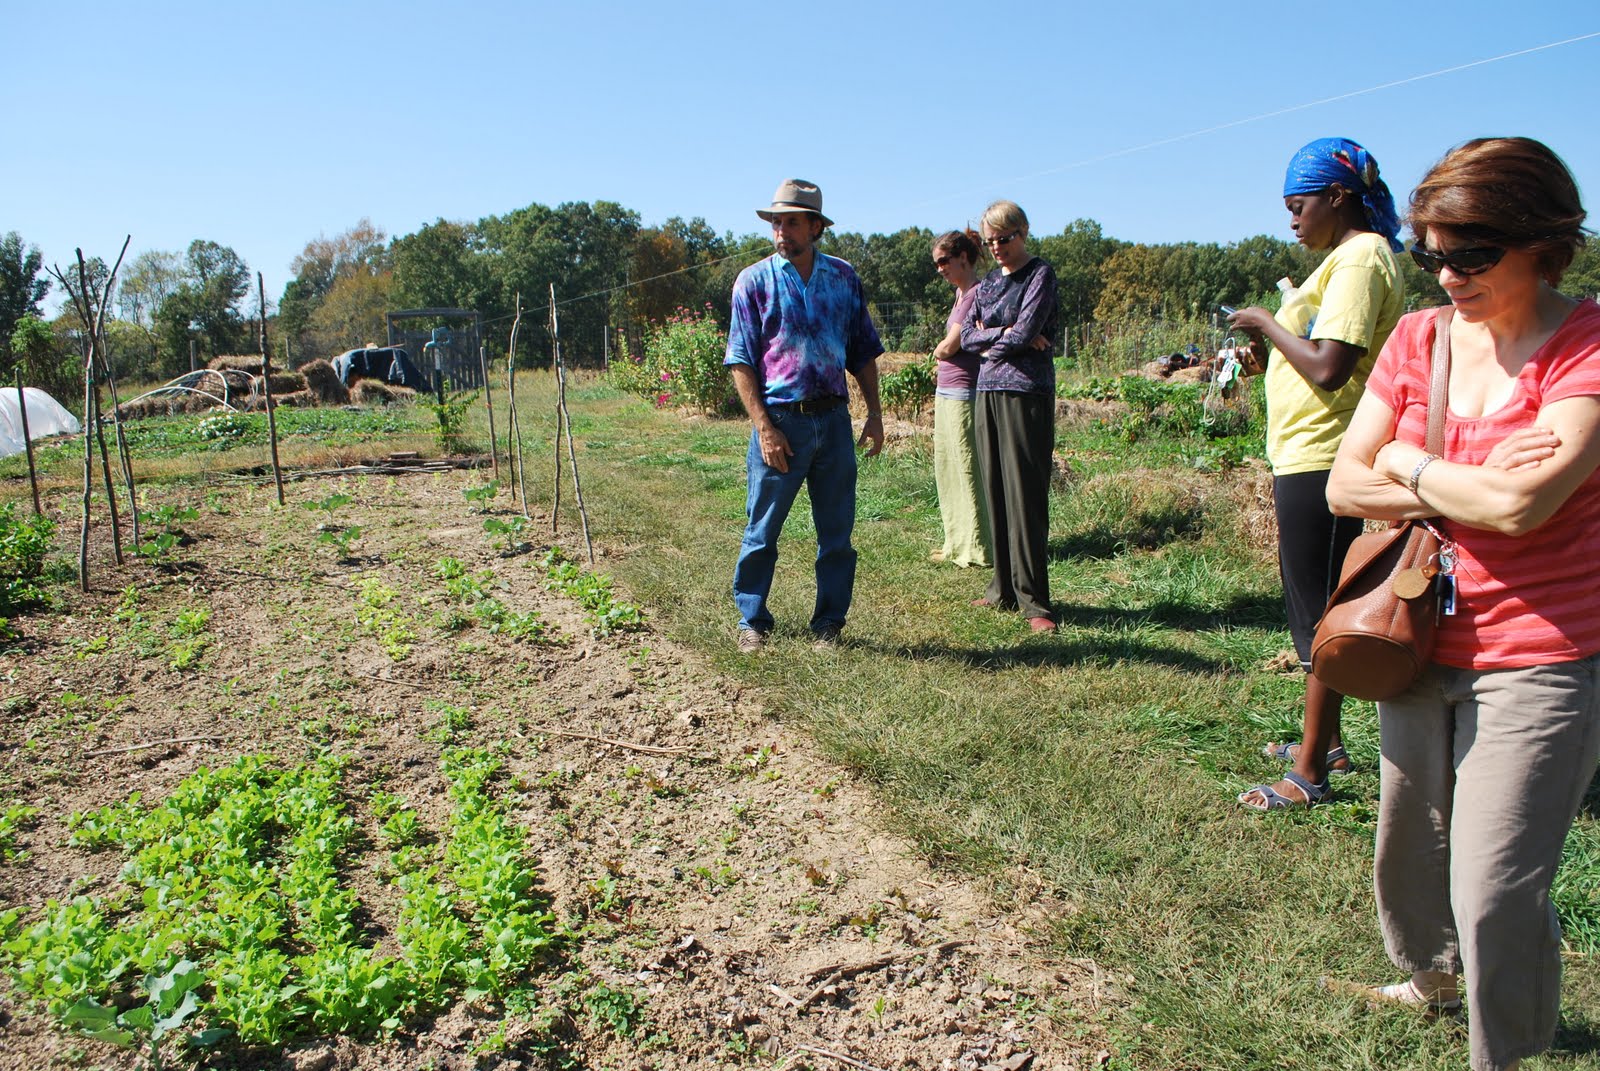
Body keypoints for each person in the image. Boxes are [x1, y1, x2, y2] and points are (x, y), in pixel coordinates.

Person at [1325, 136, 1599, 1071]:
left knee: (1494, 885)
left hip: (1543, 654)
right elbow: (1342, 486)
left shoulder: (1586, 345)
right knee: (1409, 842)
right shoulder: (1419, 337)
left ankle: (1507, 1050)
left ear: (1541, 240)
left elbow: (1525, 507)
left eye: (1471, 255)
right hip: (1417, 631)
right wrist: (1450, 474)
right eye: (1432, 254)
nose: (1448, 275)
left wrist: (1406, 459)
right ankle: (1430, 977)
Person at [1228, 138, 1406, 810]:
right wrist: (1266, 354)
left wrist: (1267, 322)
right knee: (1310, 606)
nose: (1292, 220)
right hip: (1303, 451)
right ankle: (1324, 742)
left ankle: (1311, 774)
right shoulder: (1342, 259)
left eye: (1299, 206)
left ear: (1338, 197)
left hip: (1327, 454)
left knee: (1322, 616)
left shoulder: (1361, 257)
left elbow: (1331, 369)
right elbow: (1317, 358)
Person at [725, 179, 885, 653]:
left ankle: (829, 625)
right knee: (763, 529)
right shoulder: (753, 281)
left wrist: (874, 414)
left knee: (837, 532)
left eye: (792, 222)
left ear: (816, 226)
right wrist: (764, 427)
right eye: (776, 222)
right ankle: (752, 620)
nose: (781, 231)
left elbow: (862, 352)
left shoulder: (842, 278)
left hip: (834, 421)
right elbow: (740, 359)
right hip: (781, 423)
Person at [960, 201, 1059, 632]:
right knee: (995, 490)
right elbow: (967, 337)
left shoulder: (1040, 275)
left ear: (1024, 233)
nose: (997, 247)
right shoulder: (984, 285)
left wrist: (995, 339)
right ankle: (1001, 588)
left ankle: (1035, 602)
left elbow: (1027, 327)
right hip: (987, 392)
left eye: (1005, 238)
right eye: (990, 241)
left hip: (1026, 394)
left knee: (1025, 497)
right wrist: (1004, 336)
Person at [928, 229, 992, 568]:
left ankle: (978, 546)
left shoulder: (976, 294)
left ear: (963, 258)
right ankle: (956, 542)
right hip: (949, 392)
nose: (940, 268)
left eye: (944, 261)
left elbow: (951, 345)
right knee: (949, 467)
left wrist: (939, 349)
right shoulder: (959, 294)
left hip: (966, 393)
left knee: (968, 469)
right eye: (937, 263)